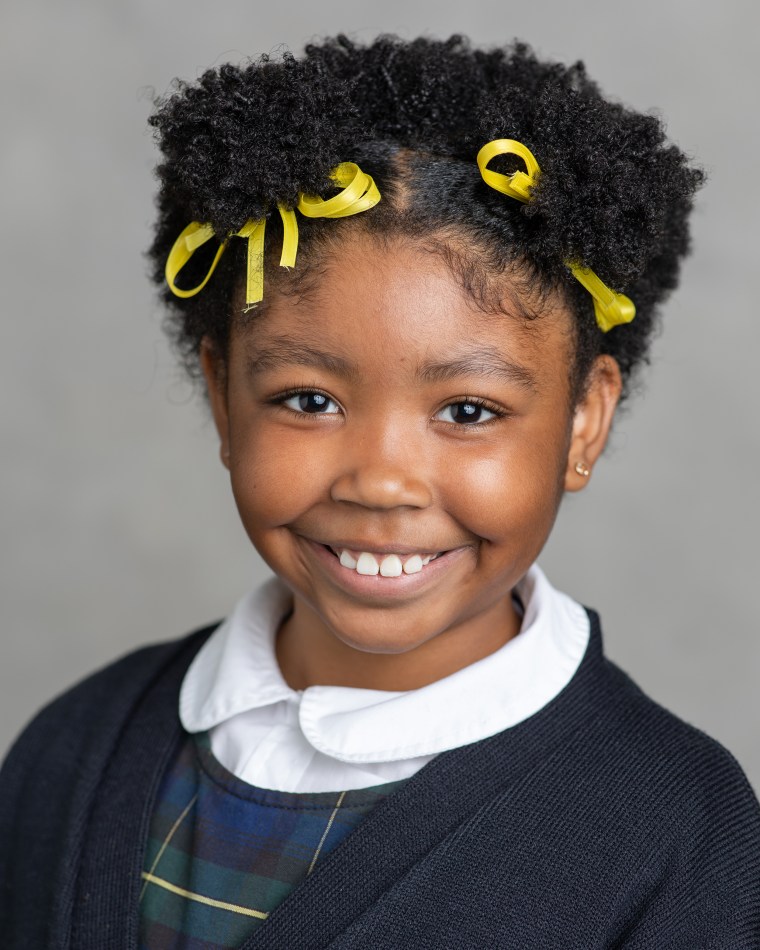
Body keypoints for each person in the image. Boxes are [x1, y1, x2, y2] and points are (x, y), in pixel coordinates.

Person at [1, 34, 758, 950]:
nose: (381, 481)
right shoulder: (73, 749)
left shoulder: (677, 832)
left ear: (585, 421)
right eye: (309, 400)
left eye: (469, 410)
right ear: (222, 397)